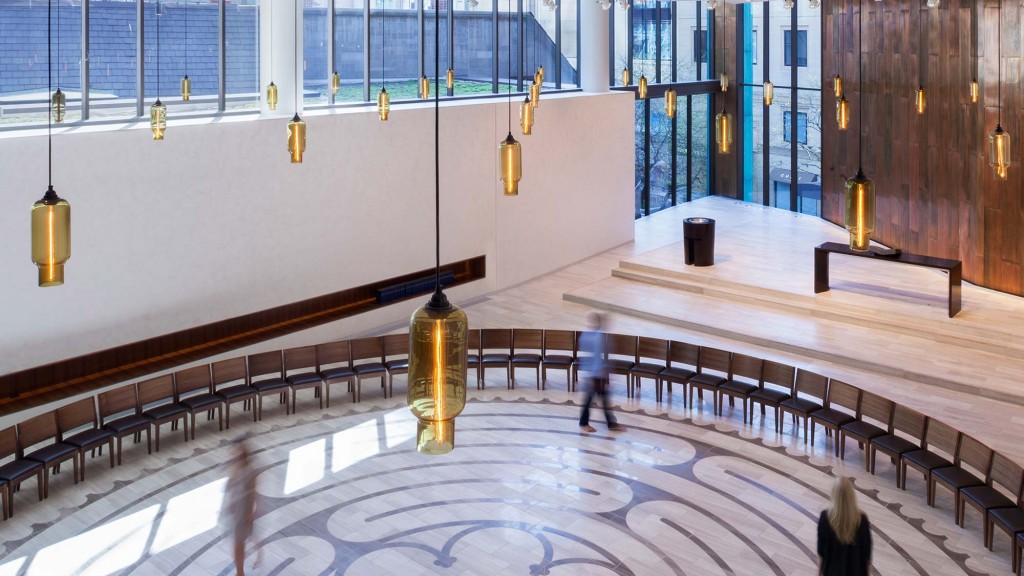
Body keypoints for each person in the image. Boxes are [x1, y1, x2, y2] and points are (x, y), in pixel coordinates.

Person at [578, 312, 625, 433]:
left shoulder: (586, 334)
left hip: (593, 372)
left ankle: (611, 423)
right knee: (592, 399)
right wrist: (600, 375)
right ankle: (585, 423)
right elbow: (596, 357)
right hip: (595, 374)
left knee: (603, 398)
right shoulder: (597, 336)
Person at [817, 476, 872, 576]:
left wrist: (818, 574)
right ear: (852, 495)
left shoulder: (825, 518)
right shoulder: (861, 520)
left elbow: (821, 552)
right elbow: (866, 555)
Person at [223, 438, 261, 575]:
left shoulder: (251, 472)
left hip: (244, 509)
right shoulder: (234, 469)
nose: (232, 455)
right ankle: (240, 571)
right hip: (236, 509)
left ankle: (240, 572)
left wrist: (251, 512)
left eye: (236, 452)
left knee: (240, 542)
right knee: (238, 542)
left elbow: (253, 493)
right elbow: (231, 488)